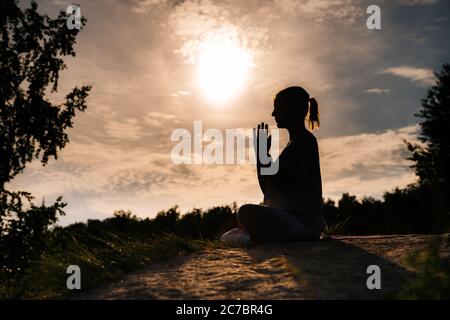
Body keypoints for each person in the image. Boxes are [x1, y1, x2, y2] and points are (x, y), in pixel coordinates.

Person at [221, 86, 325, 246]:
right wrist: (261, 156)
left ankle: (255, 238)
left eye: (278, 109)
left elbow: (278, 179)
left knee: (245, 213)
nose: (273, 114)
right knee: (233, 231)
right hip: (289, 220)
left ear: (294, 110)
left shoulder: (305, 141)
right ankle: (255, 237)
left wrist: (264, 154)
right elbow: (268, 188)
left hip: (303, 224)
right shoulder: (292, 145)